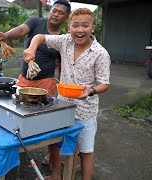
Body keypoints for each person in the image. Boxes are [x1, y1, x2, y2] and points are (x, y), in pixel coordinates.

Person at [24, 8, 110, 180]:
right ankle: (55, 176)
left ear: (92, 28)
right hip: (62, 106)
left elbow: (105, 83)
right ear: (69, 27)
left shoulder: (100, 53)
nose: (80, 30)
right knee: (55, 145)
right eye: (75, 25)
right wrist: (32, 49)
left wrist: (90, 91)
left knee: (86, 151)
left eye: (85, 25)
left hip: (86, 111)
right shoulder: (65, 41)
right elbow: (40, 37)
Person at [0, 0, 71, 97]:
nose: (56, 14)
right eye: (54, 11)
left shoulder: (61, 39)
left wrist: (61, 89)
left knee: (42, 110)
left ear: (67, 17)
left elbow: (61, 66)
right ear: (50, 11)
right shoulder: (35, 22)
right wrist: (6, 35)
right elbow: (21, 30)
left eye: (61, 13)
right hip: (24, 80)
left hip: (45, 83)